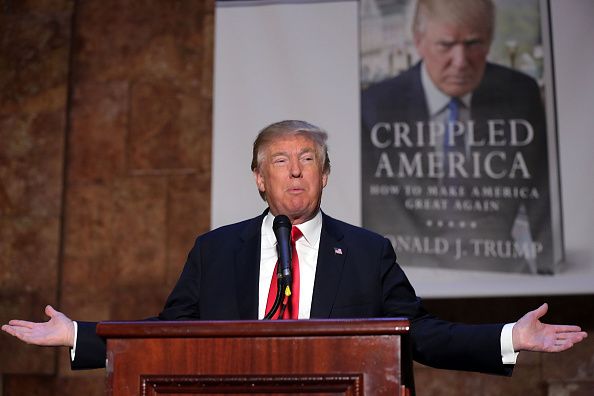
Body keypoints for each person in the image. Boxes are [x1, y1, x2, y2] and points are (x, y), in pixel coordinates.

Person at [2, 120, 587, 375]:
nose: (296, 172)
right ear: (260, 178)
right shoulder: (215, 250)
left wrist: (511, 337)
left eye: (308, 160)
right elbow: (168, 336)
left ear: (326, 175)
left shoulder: (366, 251)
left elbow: (420, 333)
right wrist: (79, 336)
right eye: (280, 162)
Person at [361, 0, 554, 274]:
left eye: (473, 43)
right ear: (419, 41)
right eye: (446, 45)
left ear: (489, 41)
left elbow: (543, 202)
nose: (461, 61)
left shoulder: (521, 95)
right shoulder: (375, 107)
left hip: (499, 273)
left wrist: (551, 280)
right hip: (409, 276)